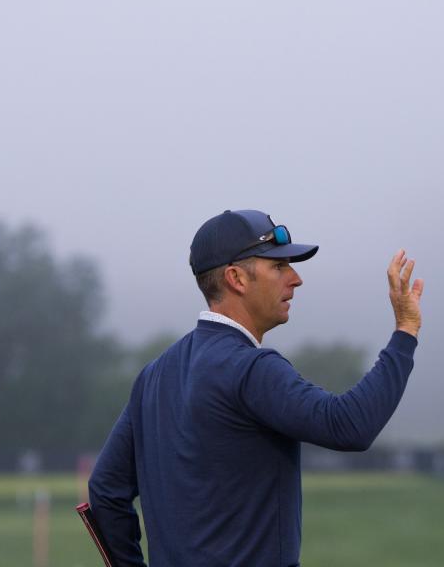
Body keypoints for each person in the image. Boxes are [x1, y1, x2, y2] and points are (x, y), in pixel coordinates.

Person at [88, 209, 423, 567]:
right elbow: (349, 425)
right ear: (236, 278)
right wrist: (405, 331)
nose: (295, 279)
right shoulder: (251, 369)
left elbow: (106, 491)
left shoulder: (153, 375)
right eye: (278, 267)